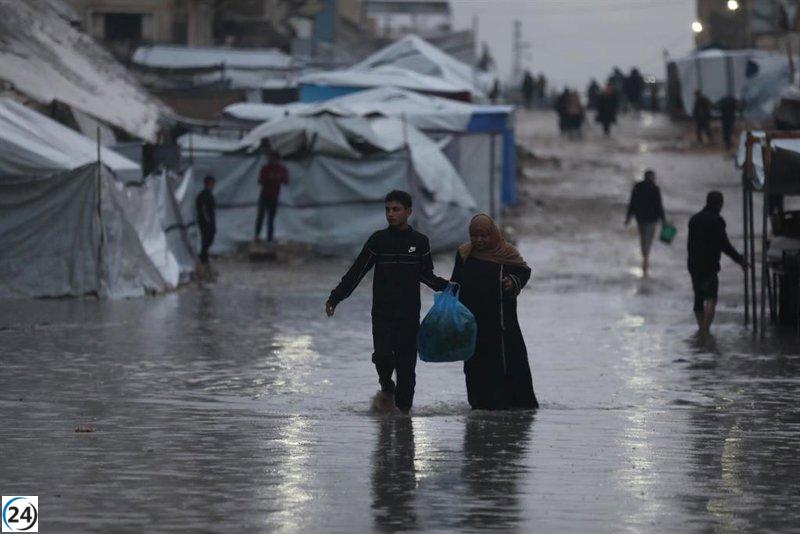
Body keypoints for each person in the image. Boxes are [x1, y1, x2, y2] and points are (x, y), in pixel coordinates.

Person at [325, 190, 449, 414]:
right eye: (387, 209)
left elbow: (426, 275)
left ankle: (403, 425)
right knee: (382, 357)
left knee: (406, 368)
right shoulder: (378, 240)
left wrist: (449, 287)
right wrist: (336, 297)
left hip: (409, 315)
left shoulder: (420, 242)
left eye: (396, 209)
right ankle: (386, 386)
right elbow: (357, 272)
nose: (390, 214)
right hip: (382, 313)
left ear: (408, 212)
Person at [451, 214, 538, 410]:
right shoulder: (464, 254)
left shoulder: (507, 253)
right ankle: (480, 409)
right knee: (474, 367)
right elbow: (455, 283)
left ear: (493, 235)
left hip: (502, 325)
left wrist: (512, 281)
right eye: (475, 236)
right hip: (472, 323)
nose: (479, 241)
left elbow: (524, 272)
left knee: (507, 365)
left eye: (484, 236)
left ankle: (510, 410)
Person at [687, 191, 747, 331]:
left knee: (698, 296)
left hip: (694, 264)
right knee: (711, 297)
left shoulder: (694, 219)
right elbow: (724, 245)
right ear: (720, 204)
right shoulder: (717, 221)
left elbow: (690, 244)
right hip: (710, 264)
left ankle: (701, 328)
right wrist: (740, 260)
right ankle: (705, 329)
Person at [625, 170, 665, 278]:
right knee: (649, 237)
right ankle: (646, 256)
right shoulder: (655, 189)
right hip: (652, 219)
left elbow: (632, 203)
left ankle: (645, 255)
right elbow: (659, 205)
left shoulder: (638, 187)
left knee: (643, 236)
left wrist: (628, 217)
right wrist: (663, 220)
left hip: (641, 218)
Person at [255, 146, 289, 242]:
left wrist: (277, 178)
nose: (273, 160)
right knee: (261, 217)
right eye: (272, 158)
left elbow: (286, 181)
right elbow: (260, 181)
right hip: (264, 195)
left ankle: (269, 238)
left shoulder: (282, 169)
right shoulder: (265, 168)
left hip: (274, 196)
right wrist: (272, 178)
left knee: (271, 218)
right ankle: (257, 236)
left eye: (275, 158)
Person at [195, 174, 216, 267]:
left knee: (209, 239)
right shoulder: (203, 195)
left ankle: (204, 256)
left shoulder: (209, 194)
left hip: (210, 220)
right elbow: (203, 210)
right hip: (205, 222)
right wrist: (208, 221)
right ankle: (203, 258)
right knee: (206, 239)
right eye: (211, 183)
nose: (213, 185)